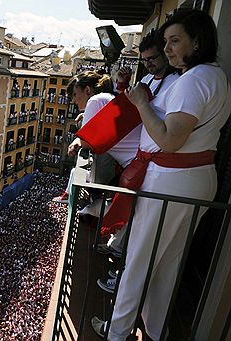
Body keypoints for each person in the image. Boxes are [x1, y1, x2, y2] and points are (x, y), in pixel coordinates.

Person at [92, 9, 231, 340]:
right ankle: (155, 332)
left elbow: (170, 138)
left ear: (197, 42)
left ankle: (117, 332)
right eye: (166, 41)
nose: (168, 49)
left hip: (170, 182)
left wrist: (140, 103)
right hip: (194, 181)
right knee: (168, 263)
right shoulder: (216, 77)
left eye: (175, 41)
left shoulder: (194, 81)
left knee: (138, 261)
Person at [95, 29, 181, 294]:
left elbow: (153, 116)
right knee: (135, 223)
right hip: (144, 164)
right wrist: (123, 87)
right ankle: (120, 273)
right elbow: (135, 109)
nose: (149, 63)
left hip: (156, 165)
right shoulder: (149, 79)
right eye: (145, 60)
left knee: (141, 231)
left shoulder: (176, 82)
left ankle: (122, 281)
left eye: (153, 58)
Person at [53, 71, 117, 204]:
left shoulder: (95, 100)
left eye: (75, 95)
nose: (73, 100)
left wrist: (79, 138)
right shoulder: (107, 98)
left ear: (88, 90)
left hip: (114, 170)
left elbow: (86, 141)